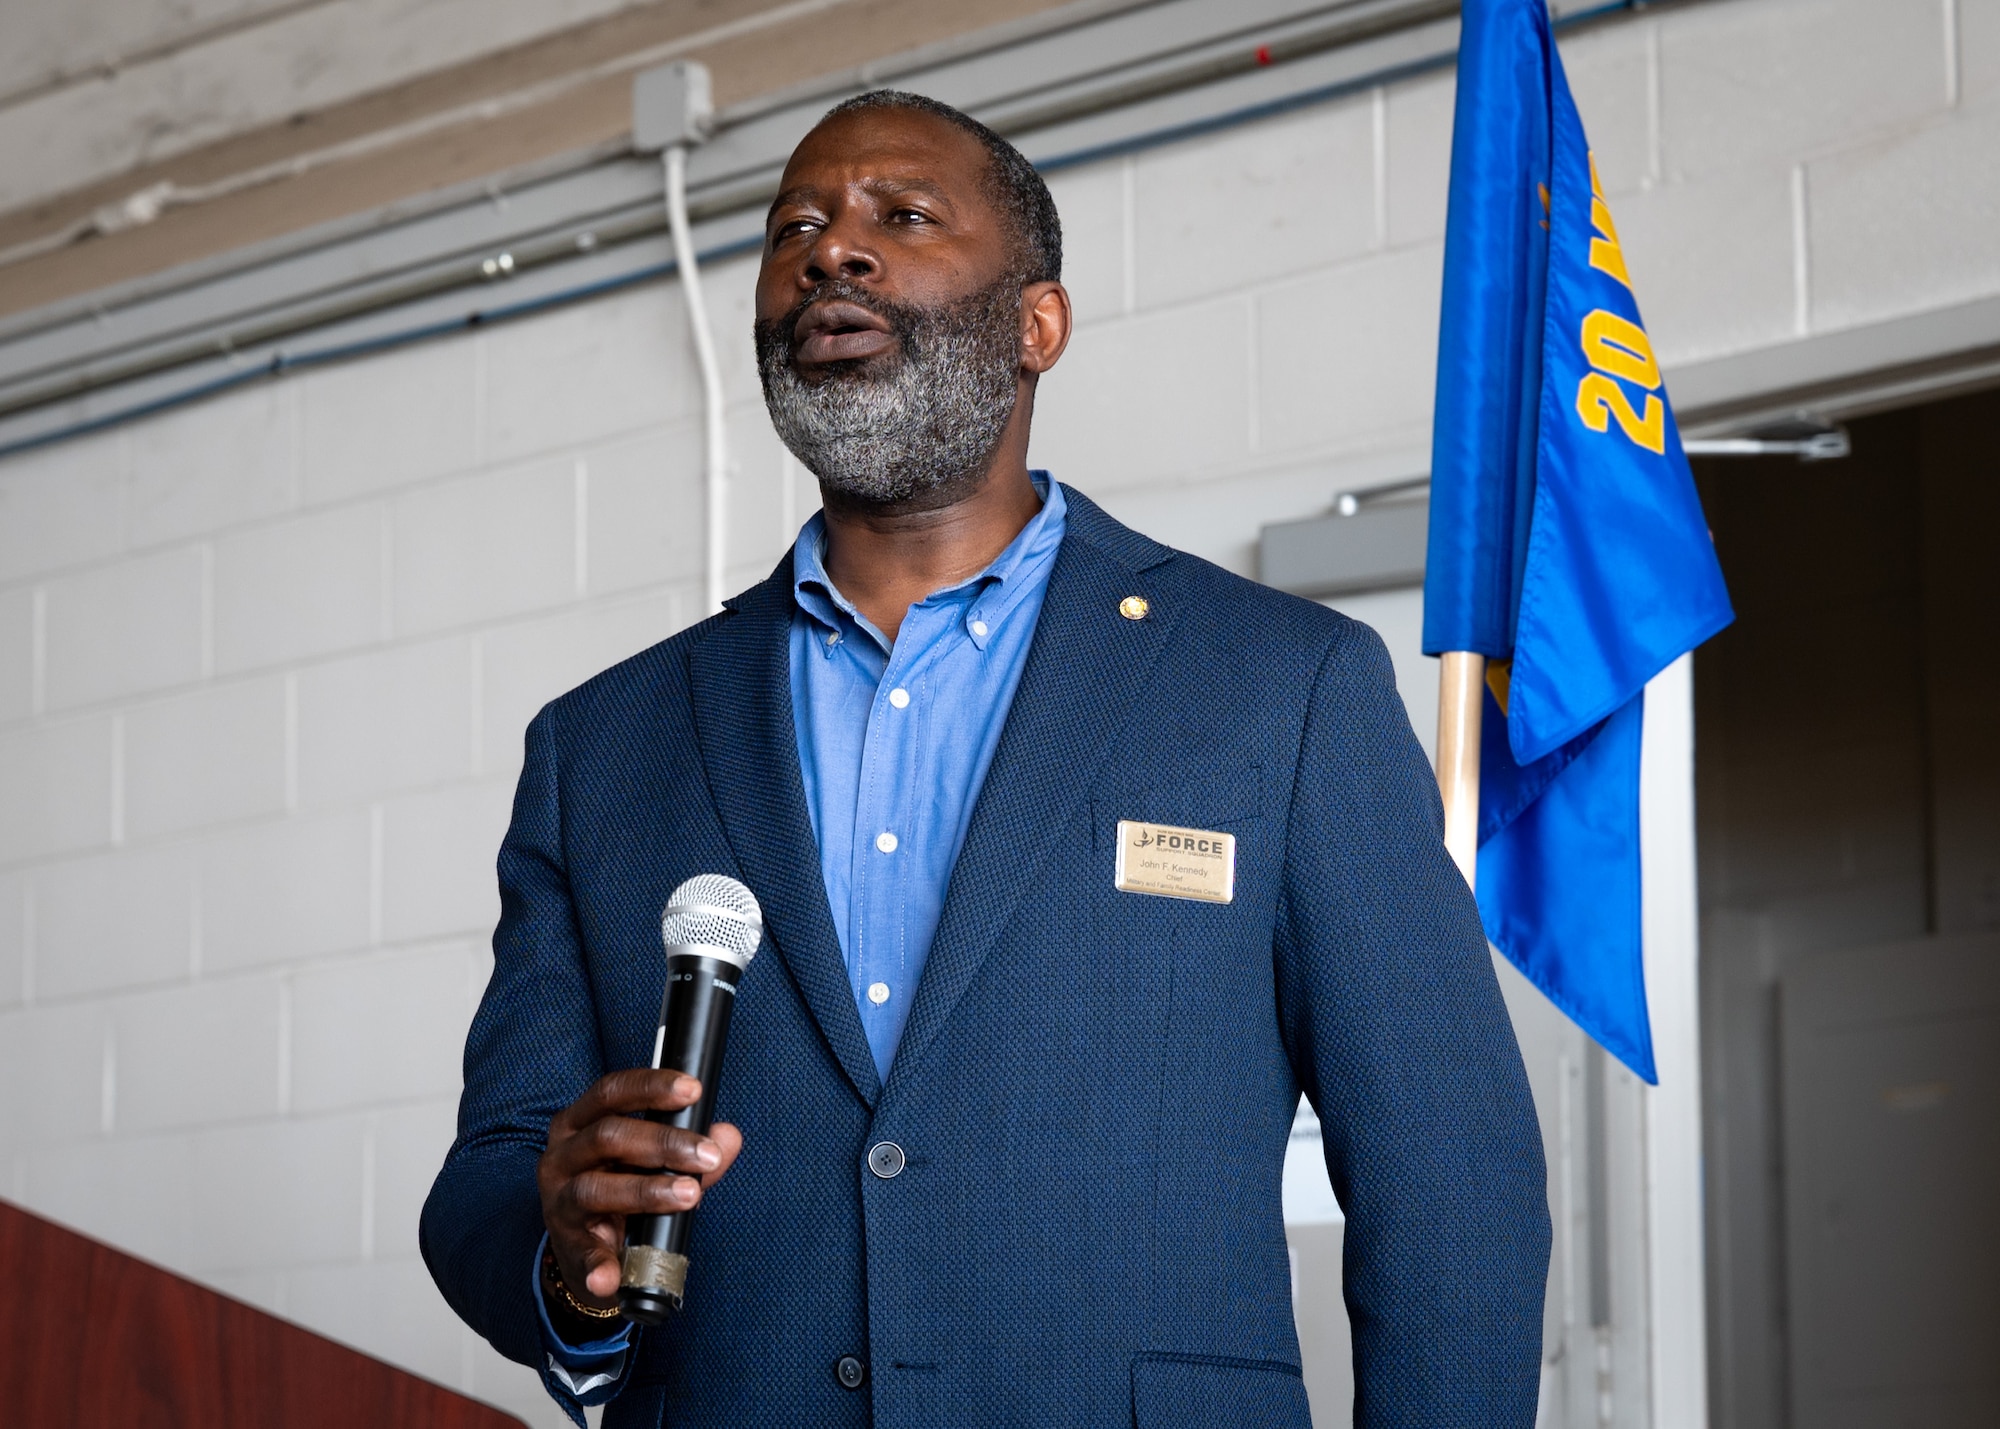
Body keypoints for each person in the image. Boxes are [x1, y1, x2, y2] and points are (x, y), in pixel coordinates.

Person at [422, 90, 1549, 1429]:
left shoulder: (1279, 686)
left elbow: (1450, 1176)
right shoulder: (603, 747)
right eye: (796, 228)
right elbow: (494, 1176)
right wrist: (569, 1256)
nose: (830, 251)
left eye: (900, 218)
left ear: (1037, 324)